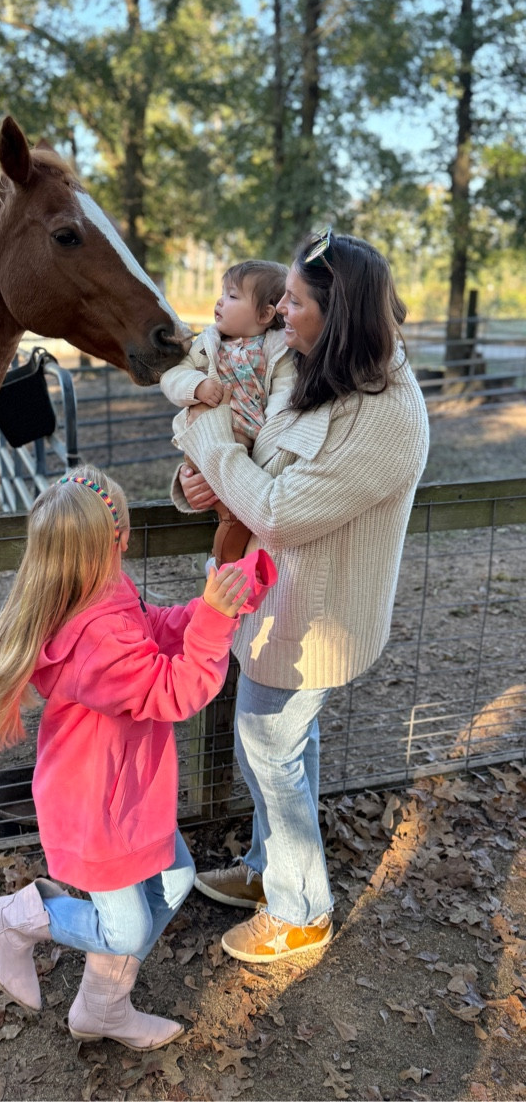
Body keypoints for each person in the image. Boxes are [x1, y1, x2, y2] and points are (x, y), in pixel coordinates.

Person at [169, 228, 429, 964]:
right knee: (280, 750)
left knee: (272, 751)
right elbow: (258, 463)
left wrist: (210, 448)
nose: (280, 308)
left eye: (295, 299)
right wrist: (200, 482)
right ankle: (266, 870)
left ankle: (299, 911)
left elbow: (278, 510)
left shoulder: (385, 412)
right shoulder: (311, 366)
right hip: (273, 609)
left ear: (337, 313)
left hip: (314, 623)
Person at [0, 466, 276, 1047]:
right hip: (95, 802)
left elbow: (150, 629)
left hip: (128, 790)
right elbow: (174, 691)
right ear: (111, 539)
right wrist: (215, 624)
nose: (128, 540)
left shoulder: (104, 589)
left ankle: (103, 1009)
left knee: (173, 882)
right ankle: (17, 917)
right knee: (124, 930)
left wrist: (205, 610)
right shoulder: (93, 639)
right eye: (123, 529)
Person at [160, 259, 291, 565]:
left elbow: (285, 394)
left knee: (237, 515)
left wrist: (271, 430)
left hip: (247, 445)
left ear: (264, 314)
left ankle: (225, 567)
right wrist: (198, 385)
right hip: (205, 439)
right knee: (228, 509)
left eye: (233, 296)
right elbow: (172, 376)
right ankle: (225, 567)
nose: (220, 301)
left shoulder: (279, 351)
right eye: (223, 293)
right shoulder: (207, 345)